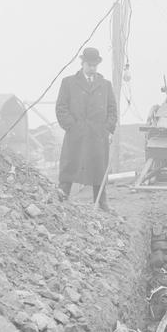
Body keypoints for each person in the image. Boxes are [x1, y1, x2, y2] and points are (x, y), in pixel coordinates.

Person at [55, 47, 117, 211]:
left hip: (98, 135)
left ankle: (101, 201)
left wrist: (107, 129)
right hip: (76, 133)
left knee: (99, 167)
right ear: (82, 63)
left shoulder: (105, 85)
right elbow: (61, 108)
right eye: (90, 65)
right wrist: (72, 126)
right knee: (70, 164)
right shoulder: (68, 82)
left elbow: (112, 110)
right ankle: (62, 196)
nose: (92, 68)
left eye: (95, 65)